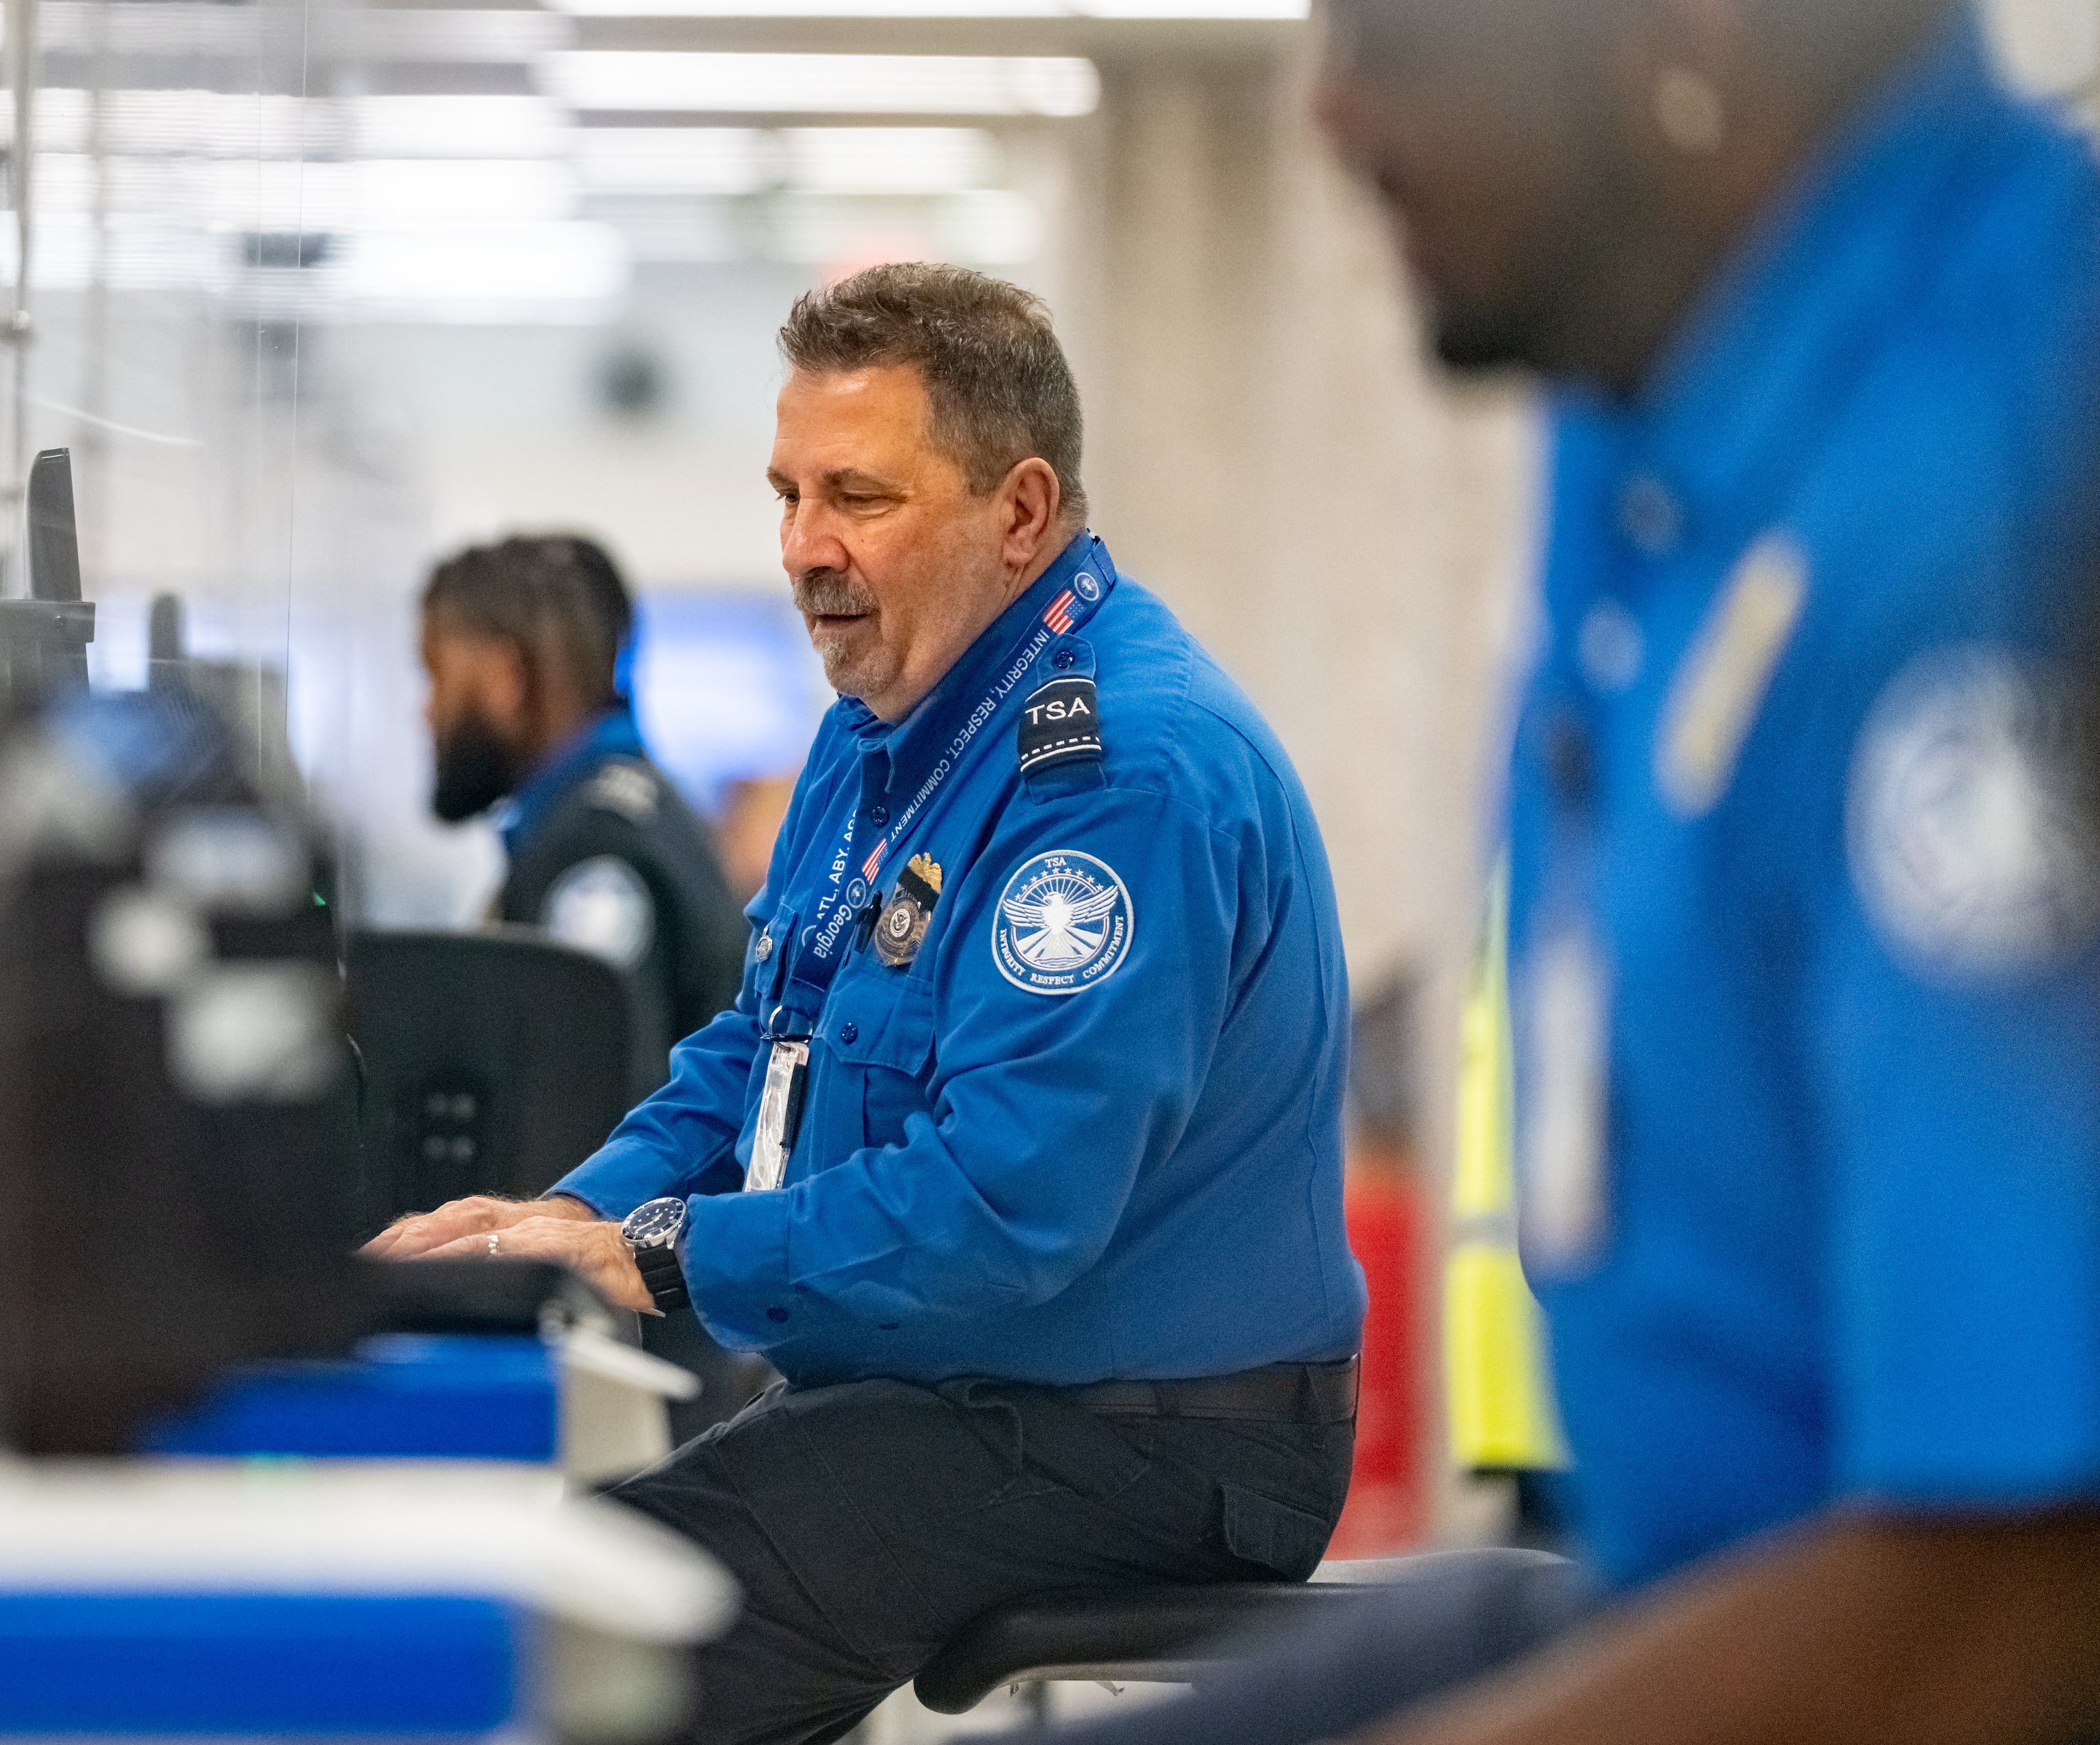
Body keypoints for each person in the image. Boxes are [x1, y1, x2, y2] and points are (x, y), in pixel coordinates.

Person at [1056, 3, 2100, 1742]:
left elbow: (2032, 1583)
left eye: (1387, 34)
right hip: (1684, 1558)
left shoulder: (1991, 498)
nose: (1329, 110)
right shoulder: (1662, 407)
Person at [370, 263, 1367, 1745]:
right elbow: (751, 1051)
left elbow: (1004, 1205)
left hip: (1152, 1445)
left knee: (582, 1642)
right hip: (961, 1402)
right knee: (581, 1574)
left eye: (859, 497)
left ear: (1021, 513)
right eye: (787, 493)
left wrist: (657, 1251)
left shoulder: (1119, 778)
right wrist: (544, 1229)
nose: (803, 548)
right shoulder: (883, 731)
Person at [421, 535, 746, 1059]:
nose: (428, 712)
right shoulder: (629, 812)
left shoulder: (593, 848)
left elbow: (591, 1107)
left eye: (437, 677)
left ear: (508, 679)